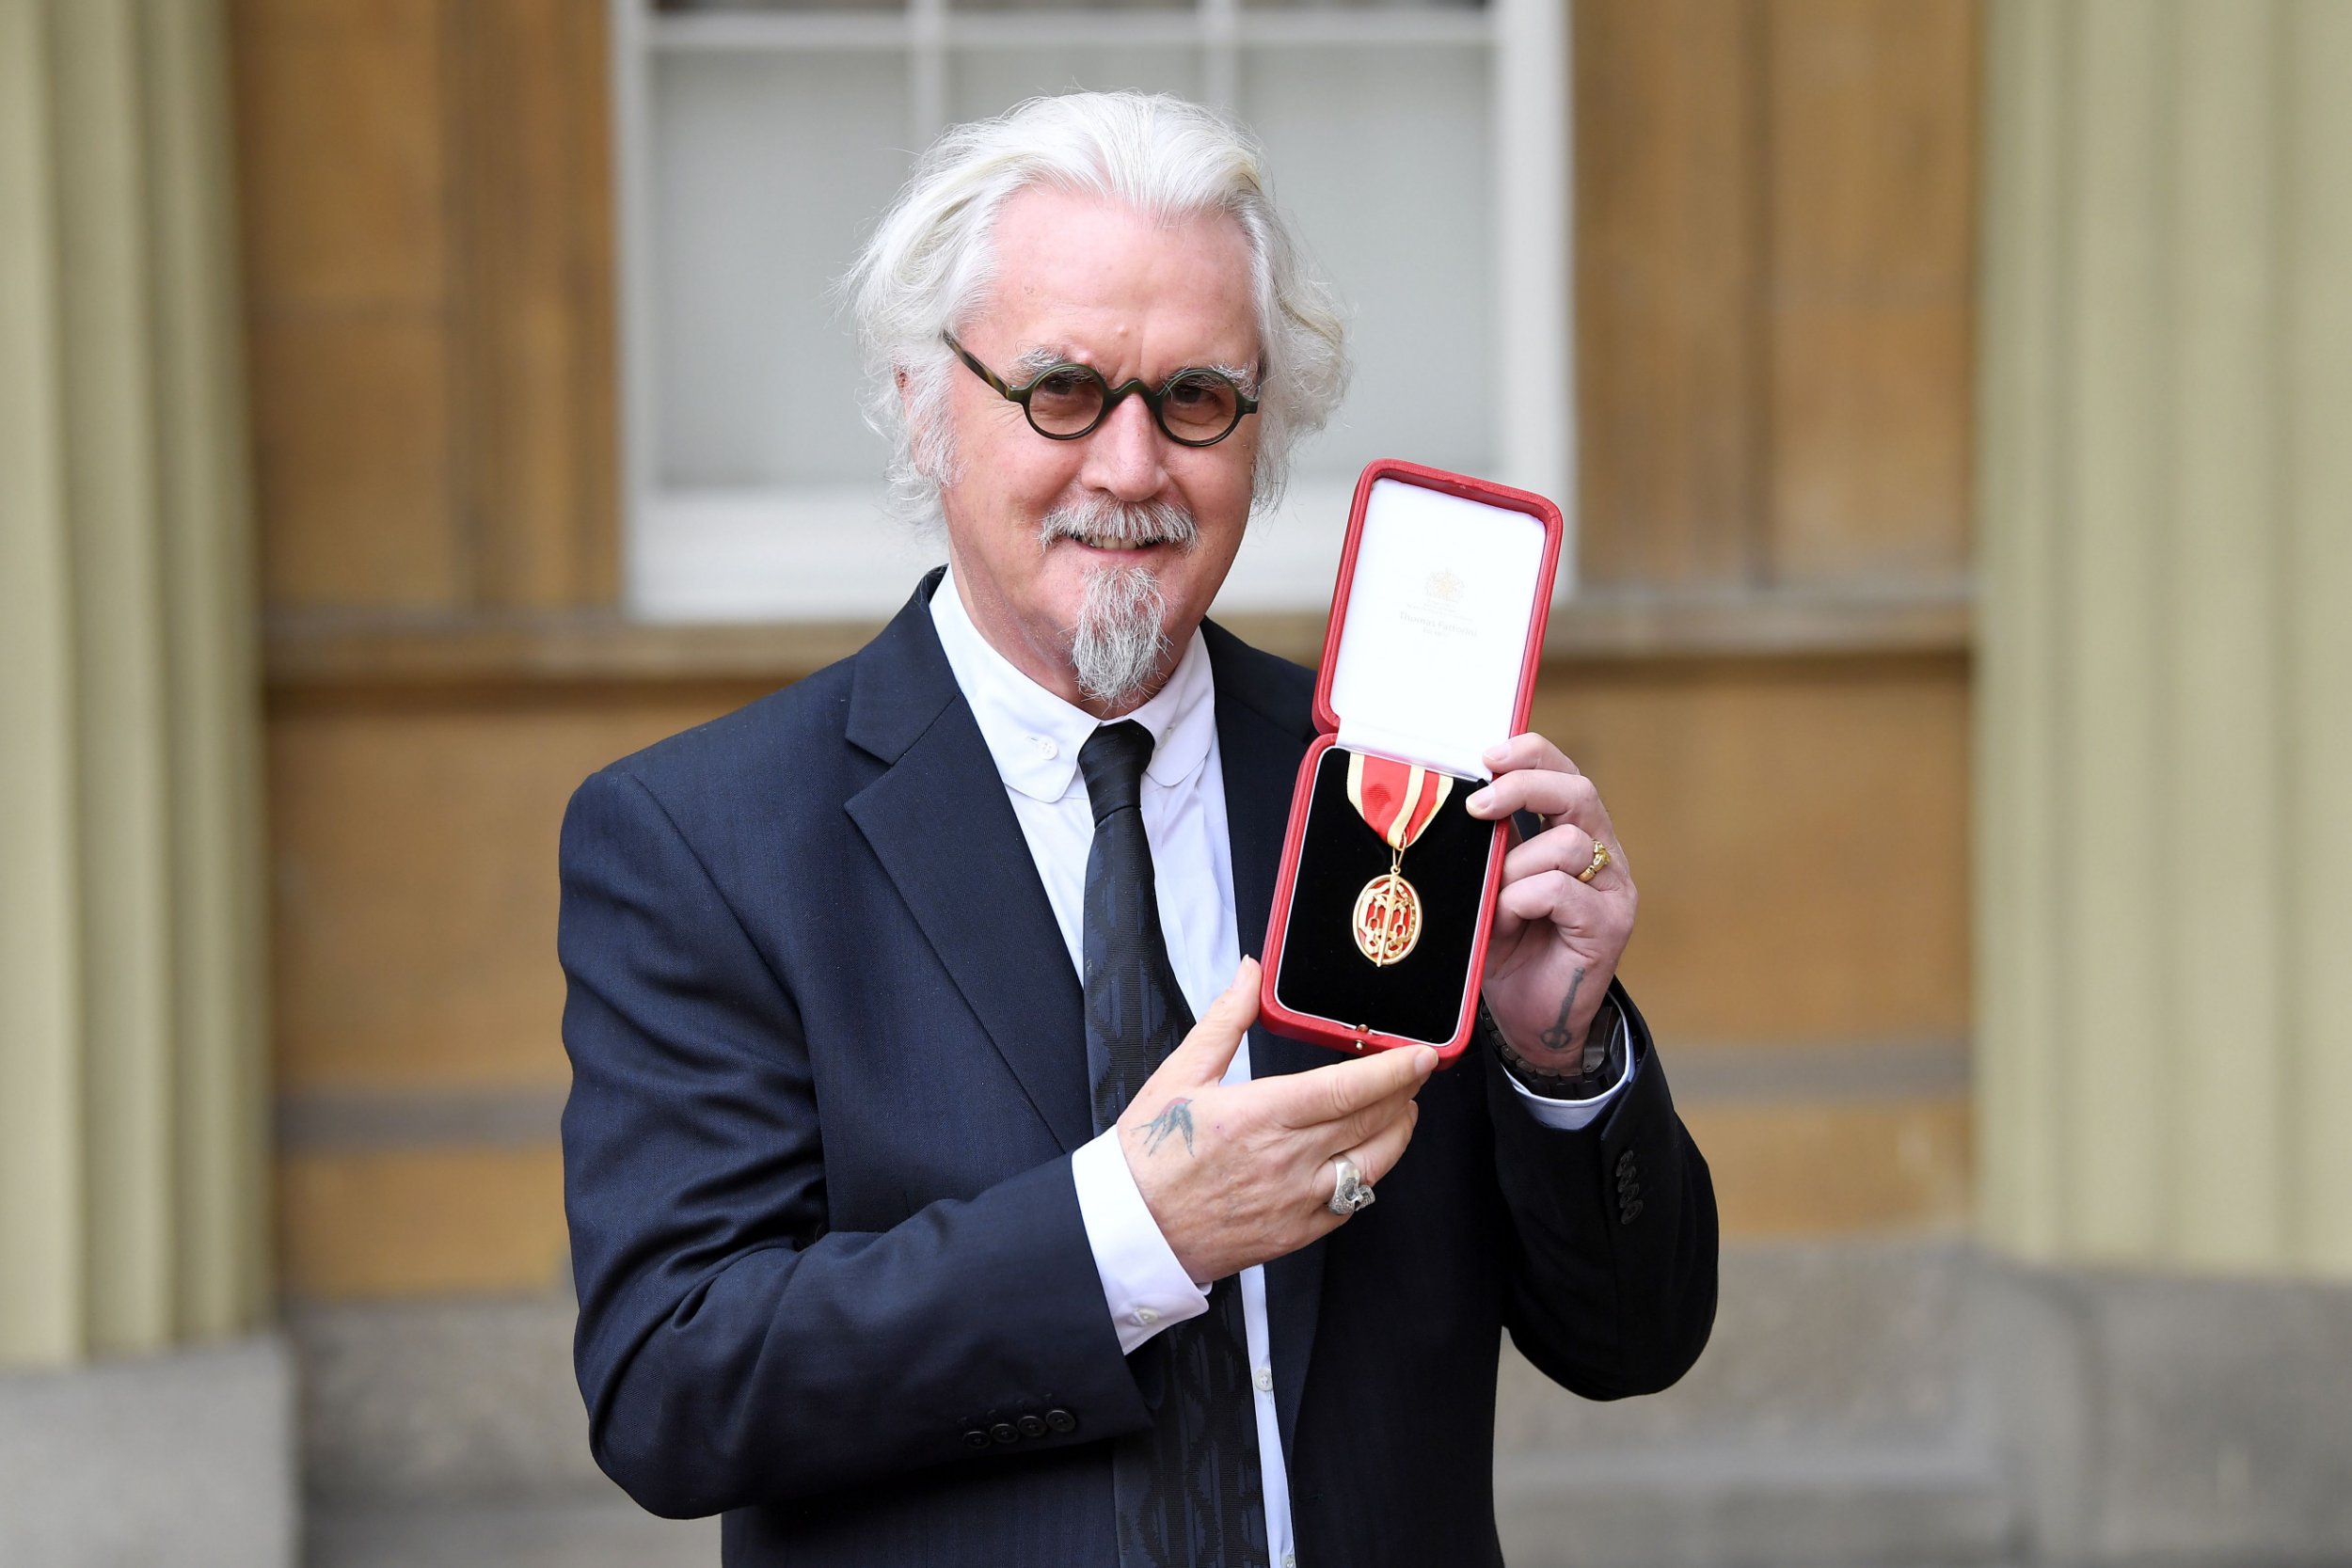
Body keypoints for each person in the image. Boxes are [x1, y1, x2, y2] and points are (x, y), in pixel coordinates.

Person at [558, 91, 1716, 1568]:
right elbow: (675, 1385)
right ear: (925, 402)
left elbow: (1636, 1341)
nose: (1128, 467)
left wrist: (1563, 1056)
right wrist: (1127, 1235)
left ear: (1260, 429)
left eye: (1195, 400)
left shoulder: (1398, 791)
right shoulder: (704, 839)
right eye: (1061, 390)